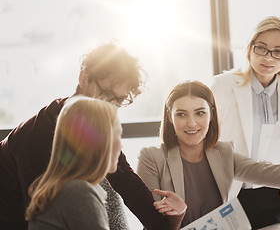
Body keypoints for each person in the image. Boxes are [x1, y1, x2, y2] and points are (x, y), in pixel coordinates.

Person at [0, 43, 186, 230]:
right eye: (105, 93)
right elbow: (38, 215)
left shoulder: (94, 126)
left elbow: (123, 177)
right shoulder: (40, 136)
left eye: (119, 100)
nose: (111, 106)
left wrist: (163, 225)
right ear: (83, 78)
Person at [137, 81, 280, 228]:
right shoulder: (151, 158)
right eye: (181, 114)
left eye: (200, 113)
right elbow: (154, 224)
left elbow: (271, 172)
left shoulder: (224, 152)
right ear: (170, 117)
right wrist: (177, 215)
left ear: (211, 115)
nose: (191, 123)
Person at [26, 96, 186, 230]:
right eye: (117, 136)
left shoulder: (61, 188)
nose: (121, 146)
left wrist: (174, 219)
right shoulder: (79, 192)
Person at [211, 16, 280, 228]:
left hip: (275, 199)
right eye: (261, 48)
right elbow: (207, 142)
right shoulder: (223, 86)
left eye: (278, 51)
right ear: (249, 49)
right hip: (233, 195)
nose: (268, 58)